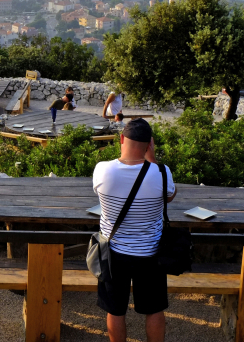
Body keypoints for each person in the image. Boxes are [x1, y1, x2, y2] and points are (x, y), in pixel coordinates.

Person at [92, 118, 176, 342]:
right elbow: (170, 196)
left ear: (121, 139)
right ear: (150, 144)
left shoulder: (102, 170)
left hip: (113, 254)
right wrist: (152, 159)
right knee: (154, 309)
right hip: (150, 254)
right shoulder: (162, 173)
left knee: (115, 310)